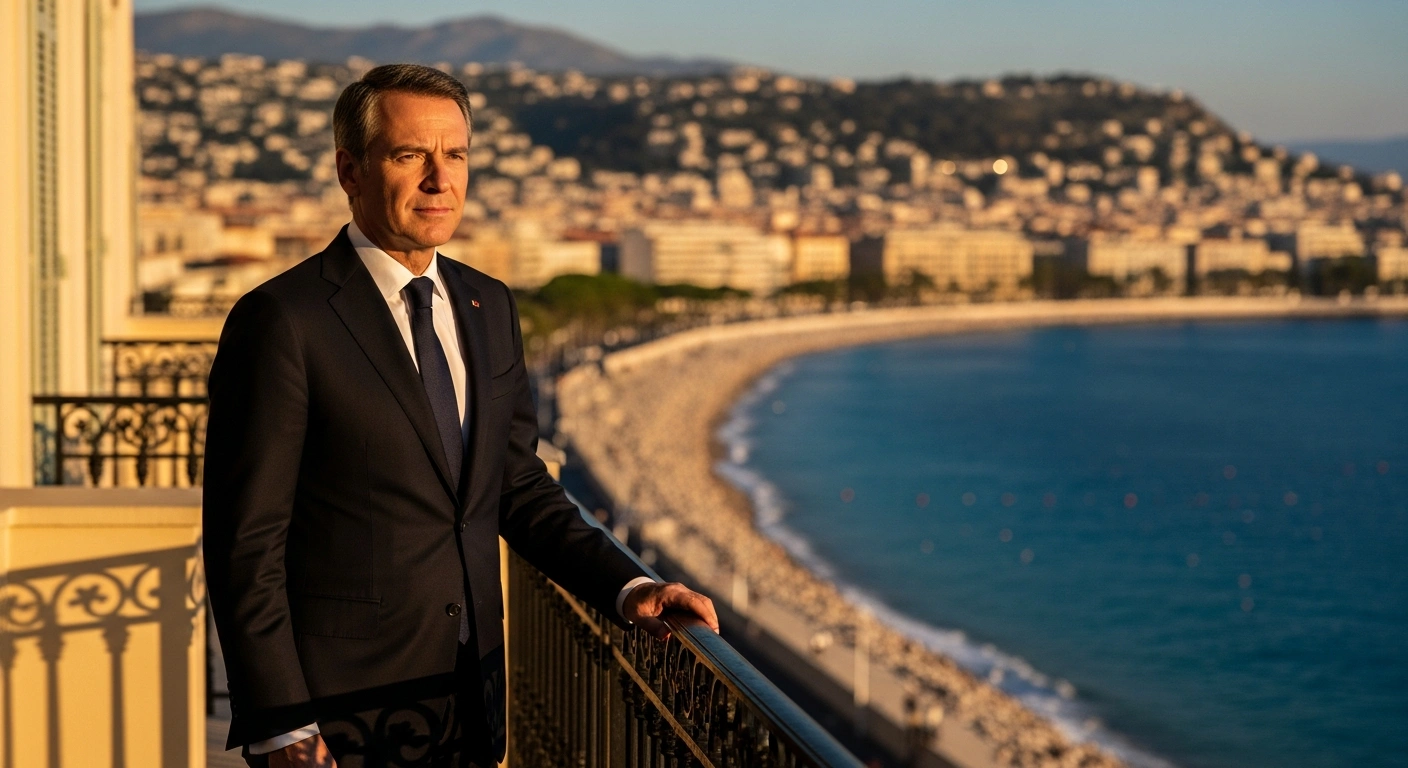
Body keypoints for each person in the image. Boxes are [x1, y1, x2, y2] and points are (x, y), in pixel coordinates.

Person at [202, 63, 718, 768]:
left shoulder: (489, 306)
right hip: (336, 719)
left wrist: (630, 586)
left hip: (469, 703)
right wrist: (282, 724)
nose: (439, 180)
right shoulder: (282, 321)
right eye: (410, 155)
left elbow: (516, 485)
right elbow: (245, 545)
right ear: (349, 171)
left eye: (456, 156)